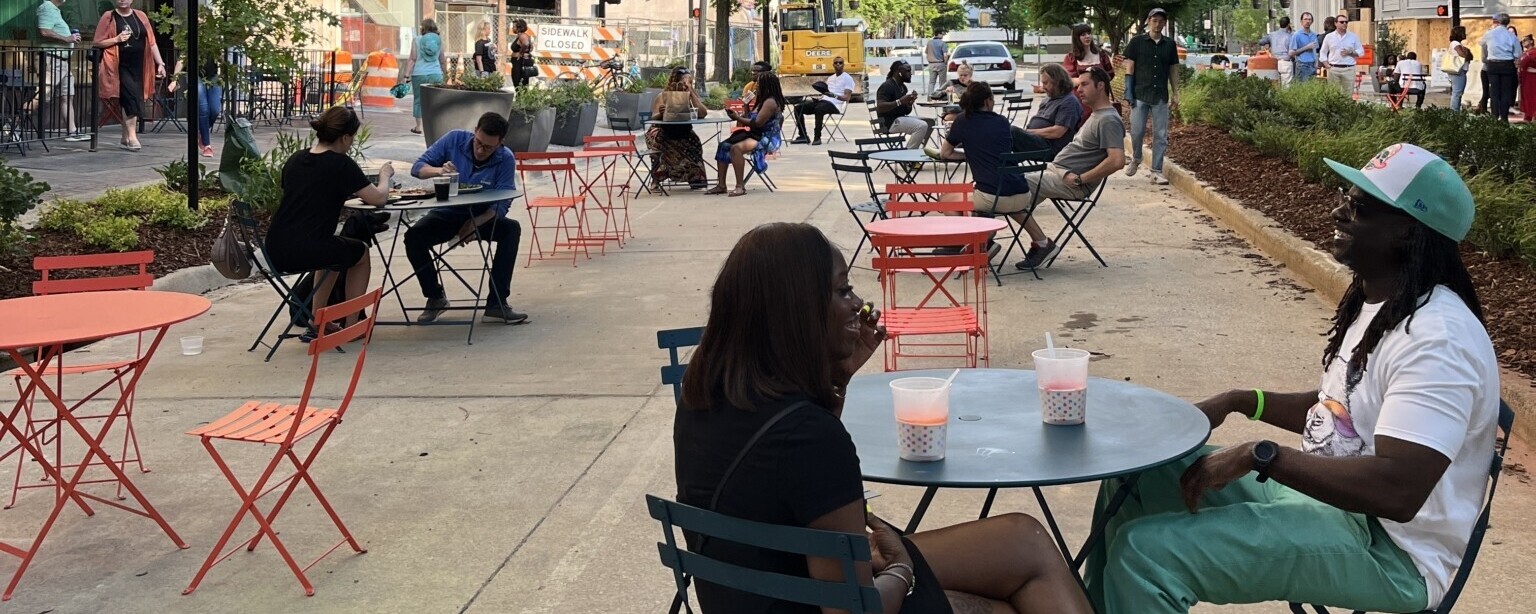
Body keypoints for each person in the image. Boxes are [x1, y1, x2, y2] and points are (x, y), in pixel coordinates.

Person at [1083, 143, 1498, 614]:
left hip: (1391, 551)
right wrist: (1242, 400)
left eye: (1359, 207)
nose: (1340, 211)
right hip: (1330, 503)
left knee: (1145, 555)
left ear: (1406, 232)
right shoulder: (1382, 302)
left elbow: (1397, 491)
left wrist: (1262, 455)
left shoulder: (1437, 341)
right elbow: (1340, 413)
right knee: (1133, 478)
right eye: (1346, 195)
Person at [674, 221, 1094, 614]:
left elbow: (795, 485)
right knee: (1010, 592)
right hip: (811, 599)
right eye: (843, 291)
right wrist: (902, 571)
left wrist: (837, 379)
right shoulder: (810, 439)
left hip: (757, 592)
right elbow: (851, 609)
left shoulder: (704, 396)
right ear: (798, 312)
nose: (858, 304)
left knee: (1022, 538)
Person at [265, 107, 392, 334]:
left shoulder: (296, 159)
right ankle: (352, 325)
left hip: (275, 248)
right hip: (307, 248)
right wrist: (385, 175)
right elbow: (379, 198)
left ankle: (318, 320)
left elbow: (305, 194)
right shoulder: (340, 164)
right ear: (345, 137)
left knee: (332, 254)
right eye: (352, 138)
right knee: (360, 253)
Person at [406, 112, 524, 324]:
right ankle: (435, 296)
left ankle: (497, 302)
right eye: (478, 142)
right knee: (413, 236)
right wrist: (439, 170)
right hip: (447, 214)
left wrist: (476, 223)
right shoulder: (454, 140)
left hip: (481, 215)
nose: (480, 150)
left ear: (500, 144)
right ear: (474, 132)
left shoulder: (505, 158)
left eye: (488, 147)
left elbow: (503, 201)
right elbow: (417, 168)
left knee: (511, 229)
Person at [92, 0, 163, 152]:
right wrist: (116, 39)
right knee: (131, 98)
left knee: (129, 99)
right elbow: (97, 42)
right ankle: (132, 136)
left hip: (140, 65)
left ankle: (124, 137)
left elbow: (152, 42)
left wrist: (160, 63)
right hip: (118, 65)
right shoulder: (108, 16)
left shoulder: (141, 15)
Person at [1123, 7, 1178, 186]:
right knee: (1137, 131)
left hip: (1160, 95)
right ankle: (1137, 158)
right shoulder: (1137, 42)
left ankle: (1156, 170)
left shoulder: (1169, 45)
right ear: (1148, 21)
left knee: (1160, 135)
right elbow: (1129, 68)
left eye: (1161, 21)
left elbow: (1173, 69)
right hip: (1140, 93)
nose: (1158, 24)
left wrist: (1176, 93)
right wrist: (1128, 91)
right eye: (1154, 20)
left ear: (1164, 24)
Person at [708, 73, 784, 197]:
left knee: (736, 149)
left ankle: (740, 186)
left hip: (767, 138)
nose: (756, 87)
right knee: (723, 145)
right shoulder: (761, 101)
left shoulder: (770, 102)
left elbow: (758, 123)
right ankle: (721, 185)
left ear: (766, 86)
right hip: (755, 134)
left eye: (759, 84)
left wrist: (737, 117)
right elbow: (750, 119)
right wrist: (746, 106)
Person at [36, 0, 88, 142]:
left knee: (67, 96)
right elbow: (44, 31)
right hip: (52, 59)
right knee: (41, 96)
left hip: (62, 61)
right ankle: (12, 126)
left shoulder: (55, 10)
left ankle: (72, 132)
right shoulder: (46, 7)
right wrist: (66, 38)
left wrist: (68, 37)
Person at [647, 68, 709, 189]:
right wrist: (661, 113)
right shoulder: (663, 96)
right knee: (658, 140)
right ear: (675, 82)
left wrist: (690, 92)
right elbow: (653, 117)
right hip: (662, 130)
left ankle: (695, 177)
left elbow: (703, 113)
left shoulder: (690, 96)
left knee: (694, 141)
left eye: (689, 81)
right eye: (683, 81)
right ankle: (656, 178)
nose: (685, 84)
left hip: (683, 131)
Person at [1013, 63, 1083, 160]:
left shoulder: (1069, 102)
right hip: (1037, 141)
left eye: (1046, 83)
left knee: (1011, 131)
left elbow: (1057, 132)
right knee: (999, 130)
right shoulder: (1049, 98)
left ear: (1057, 82)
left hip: (1049, 148)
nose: (1043, 87)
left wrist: (1028, 132)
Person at [791, 56, 854, 145]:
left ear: (844, 65)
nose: (838, 64)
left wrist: (834, 95)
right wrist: (818, 98)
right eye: (836, 63)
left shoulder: (848, 78)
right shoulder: (831, 78)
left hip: (836, 105)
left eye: (840, 62)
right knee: (798, 108)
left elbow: (846, 97)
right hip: (824, 101)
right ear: (833, 65)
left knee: (819, 109)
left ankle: (817, 137)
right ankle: (803, 136)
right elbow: (825, 93)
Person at [873, 60, 931, 149]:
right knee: (921, 126)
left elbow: (906, 111)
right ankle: (909, 157)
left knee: (930, 122)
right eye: (907, 71)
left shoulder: (902, 87)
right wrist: (899, 101)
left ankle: (918, 148)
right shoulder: (887, 86)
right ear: (898, 72)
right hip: (889, 123)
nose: (910, 74)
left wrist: (909, 103)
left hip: (900, 119)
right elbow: (880, 107)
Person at [403, 18, 444, 135]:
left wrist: (406, 75)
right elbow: (442, 60)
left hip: (419, 74)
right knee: (436, 99)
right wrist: (445, 74)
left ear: (423, 28)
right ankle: (435, 125)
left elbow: (412, 59)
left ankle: (419, 127)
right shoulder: (438, 41)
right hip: (436, 74)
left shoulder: (416, 40)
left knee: (418, 100)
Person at [1480, 13, 1521, 122]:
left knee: (1494, 91)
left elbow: (1482, 43)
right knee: (1506, 91)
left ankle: (1494, 116)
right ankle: (1504, 117)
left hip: (1493, 64)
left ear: (1496, 22)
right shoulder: (1511, 35)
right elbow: (1518, 53)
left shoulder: (1490, 33)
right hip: (1507, 64)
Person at [1319, 13, 1363, 97]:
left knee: (1348, 94)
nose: (1344, 24)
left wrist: (1350, 52)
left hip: (1349, 68)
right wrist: (1326, 64)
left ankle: (1346, 110)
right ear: (1335, 23)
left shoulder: (1353, 36)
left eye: (1346, 22)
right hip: (1333, 68)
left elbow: (1361, 52)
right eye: (1342, 22)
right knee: (1333, 94)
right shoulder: (1329, 37)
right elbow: (1323, 52)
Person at [1447, 26, 1474, 111]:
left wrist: (1467, 53)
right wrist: (1466, 52)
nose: (1465, 34)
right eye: (1463, 32)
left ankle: (1455, 110)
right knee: (1457, 93)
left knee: (1458, 92)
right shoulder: (1456, 44)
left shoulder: (1456, 44)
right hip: (1458, 71)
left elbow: (1470, 57)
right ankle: (1455, 111)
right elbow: (1463, 55)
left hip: (1459, 71)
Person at [1289, 12, 1320, 84]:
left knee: (1312, 89)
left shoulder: (1314, 35)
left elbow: (1315, 51)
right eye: (1305, 19)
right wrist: (1306, 47)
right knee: (1304, 88)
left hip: (1313, 65)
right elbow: (1291, 53)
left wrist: (1316, 62)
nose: (1307, 21)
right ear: (1301, 21)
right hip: (1302, 65)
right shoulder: (1297, 35)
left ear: (1312, 21)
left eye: (1309, 19)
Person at [1267, 16, 1296, 87]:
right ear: (1288, 24)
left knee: (1274, 86)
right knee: (1286, 87)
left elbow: (1261, 41)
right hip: (1286, 62)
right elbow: (1293, 51)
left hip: (1274, 62)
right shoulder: (1291, 36)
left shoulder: (1271, 35)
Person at [509, 19, 533, 88]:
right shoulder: (523, 36)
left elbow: (526, 44)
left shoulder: (522, 36)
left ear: (519, 28)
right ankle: (520, 97)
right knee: (519, 82)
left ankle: (520, 97)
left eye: (514, 27)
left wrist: (521, 53)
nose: (512, 28)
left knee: (518, 82)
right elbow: (530, 47)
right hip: (518, 62)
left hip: (520, 62)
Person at [925, 30, 947, 96]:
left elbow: (926, 52)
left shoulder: (929, 43)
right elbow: (945, 55)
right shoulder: (942, 43)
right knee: (942, 82)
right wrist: (945, 63)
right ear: (938, 34)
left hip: (931, 64)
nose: (943, 35)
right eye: (942, 34)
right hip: (940, 63)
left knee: (931, 82)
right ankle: (941, 96)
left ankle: (930, 96)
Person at [1520, 35, 1536, 119]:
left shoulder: (1534, 52)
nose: (1523, 42)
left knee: (1532, 96)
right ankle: (1528, 115)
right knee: (1526, 96)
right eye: (1522, 41)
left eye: (1525, 40)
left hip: (1532, 78)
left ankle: (1533, 115)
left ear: (1531, 41)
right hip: (1525, 78)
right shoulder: (1524, 53)